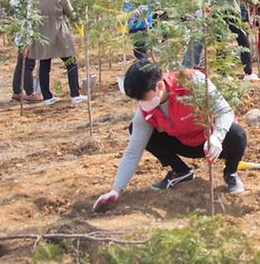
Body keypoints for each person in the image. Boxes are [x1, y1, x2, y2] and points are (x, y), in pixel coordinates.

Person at [91, 61, 247, 212]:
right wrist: (116, 189)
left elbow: (224, 111)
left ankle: (230, 173)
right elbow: (133, 151)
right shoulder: (146, 110)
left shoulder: (193, 81)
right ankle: (181, 172)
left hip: (211, 143)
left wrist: (217, 137)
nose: (142, 104)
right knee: (137, 129)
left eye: (144, 98)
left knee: (237, 134)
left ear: (159, 86)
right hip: (183, 143)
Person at [25, 0, 86, 105]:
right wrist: (80, 21)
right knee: (71, 62)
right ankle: (75, 94)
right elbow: (70, 12)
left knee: (44, 65)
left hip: (41, 35)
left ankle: (47, 97)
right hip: (59, 33)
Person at [210, 0, 258, 81]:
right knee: (242, 39)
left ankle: (222, 74)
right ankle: (248, 72)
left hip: (217, 12)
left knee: (220, 42)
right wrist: (253, 1)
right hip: (232, 11)